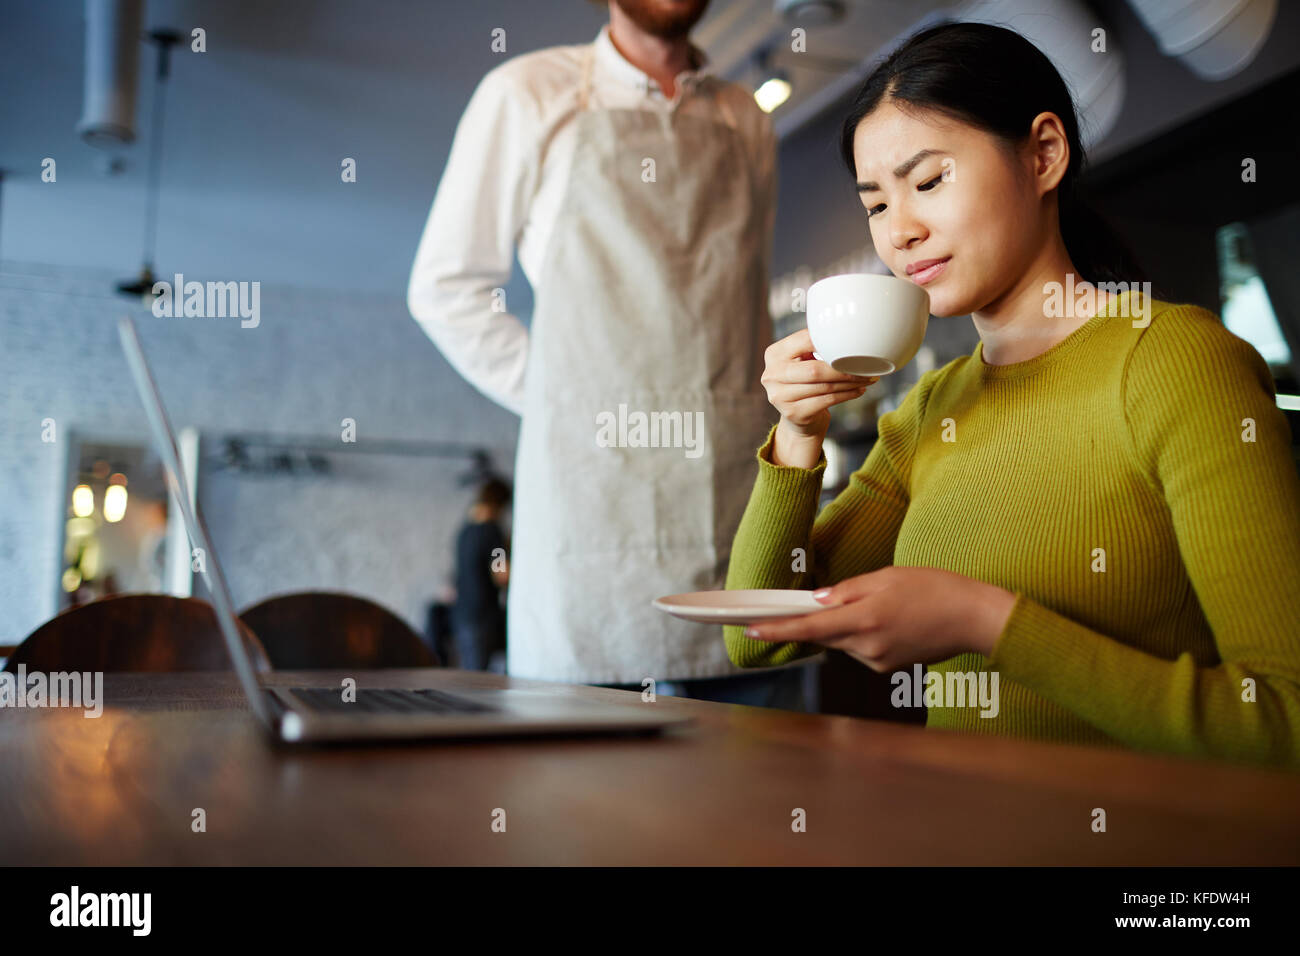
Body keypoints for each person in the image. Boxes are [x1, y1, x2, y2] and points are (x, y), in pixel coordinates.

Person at [723, 21, 1300, 767]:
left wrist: (990, 624)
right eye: (876, 205)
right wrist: (797, 430)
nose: (899, 231)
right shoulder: (933, 409)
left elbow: (1284, 721)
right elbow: (756, 634)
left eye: (928, 182)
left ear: (1044, 154)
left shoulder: (1177, 362)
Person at [409, 1, 802, 706]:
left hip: (730, 497)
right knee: (584, 792)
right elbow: (447, 288)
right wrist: (569, 397)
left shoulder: (748, 118)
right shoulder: (527, 93)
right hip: (593, 505)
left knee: (754, 784)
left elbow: (746, 298)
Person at [452, 478, 511, 672]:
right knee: (478, 679)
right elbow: (501, 574)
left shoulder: (464, 531)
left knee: (470, 674)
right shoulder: (492, 531)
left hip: (462, 612)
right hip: (483, 614)